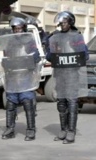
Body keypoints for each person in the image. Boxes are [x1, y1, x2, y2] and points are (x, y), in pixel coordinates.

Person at [46, 11, 89, 144]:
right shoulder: (55, 37)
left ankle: (71, 131)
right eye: (60, 23)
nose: (62, 25)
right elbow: (49, 56)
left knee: (71, 102)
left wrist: (74, 54)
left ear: (70, 23)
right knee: (61, 102)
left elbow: (84, 55)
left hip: (72, 74)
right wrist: (53, 50)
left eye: (64, 22)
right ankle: (63, 129)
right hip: (60, 75)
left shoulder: (76, 37)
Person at [0, 17, 40, 141]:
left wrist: (28, 61)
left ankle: (30, 130)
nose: (17, 31)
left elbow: (36, 57)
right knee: (11, 104)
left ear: (23, 28)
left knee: (28, 103)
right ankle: (10, 129)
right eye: (15, 29)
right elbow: (6, 58)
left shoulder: (29, 41)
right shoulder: (9, 42)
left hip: (25, 77)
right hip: (13, 77)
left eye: (19, 28)